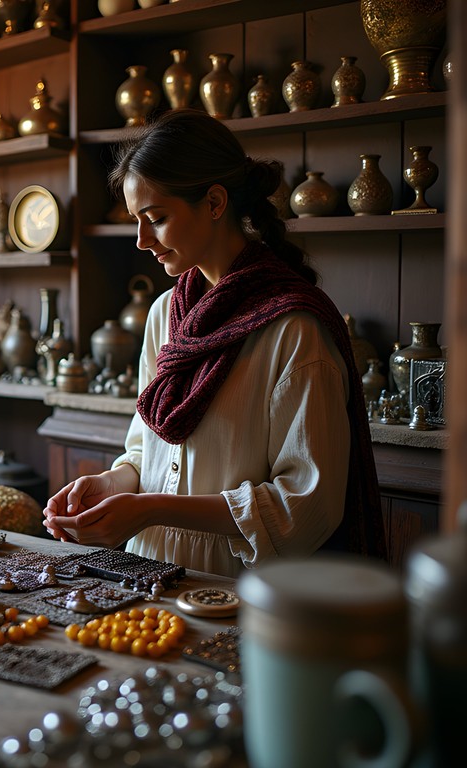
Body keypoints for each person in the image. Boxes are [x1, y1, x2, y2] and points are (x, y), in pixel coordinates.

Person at [43, 108, 386, 578]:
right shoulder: (166, 314)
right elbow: (149, 448)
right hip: (147, 572)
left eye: (156, 217)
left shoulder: (293, 329)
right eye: (135, 221)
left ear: (216, 202)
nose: (142, 240)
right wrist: (112, 482)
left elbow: (305, 506)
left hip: (237, 586)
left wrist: (149, 510)